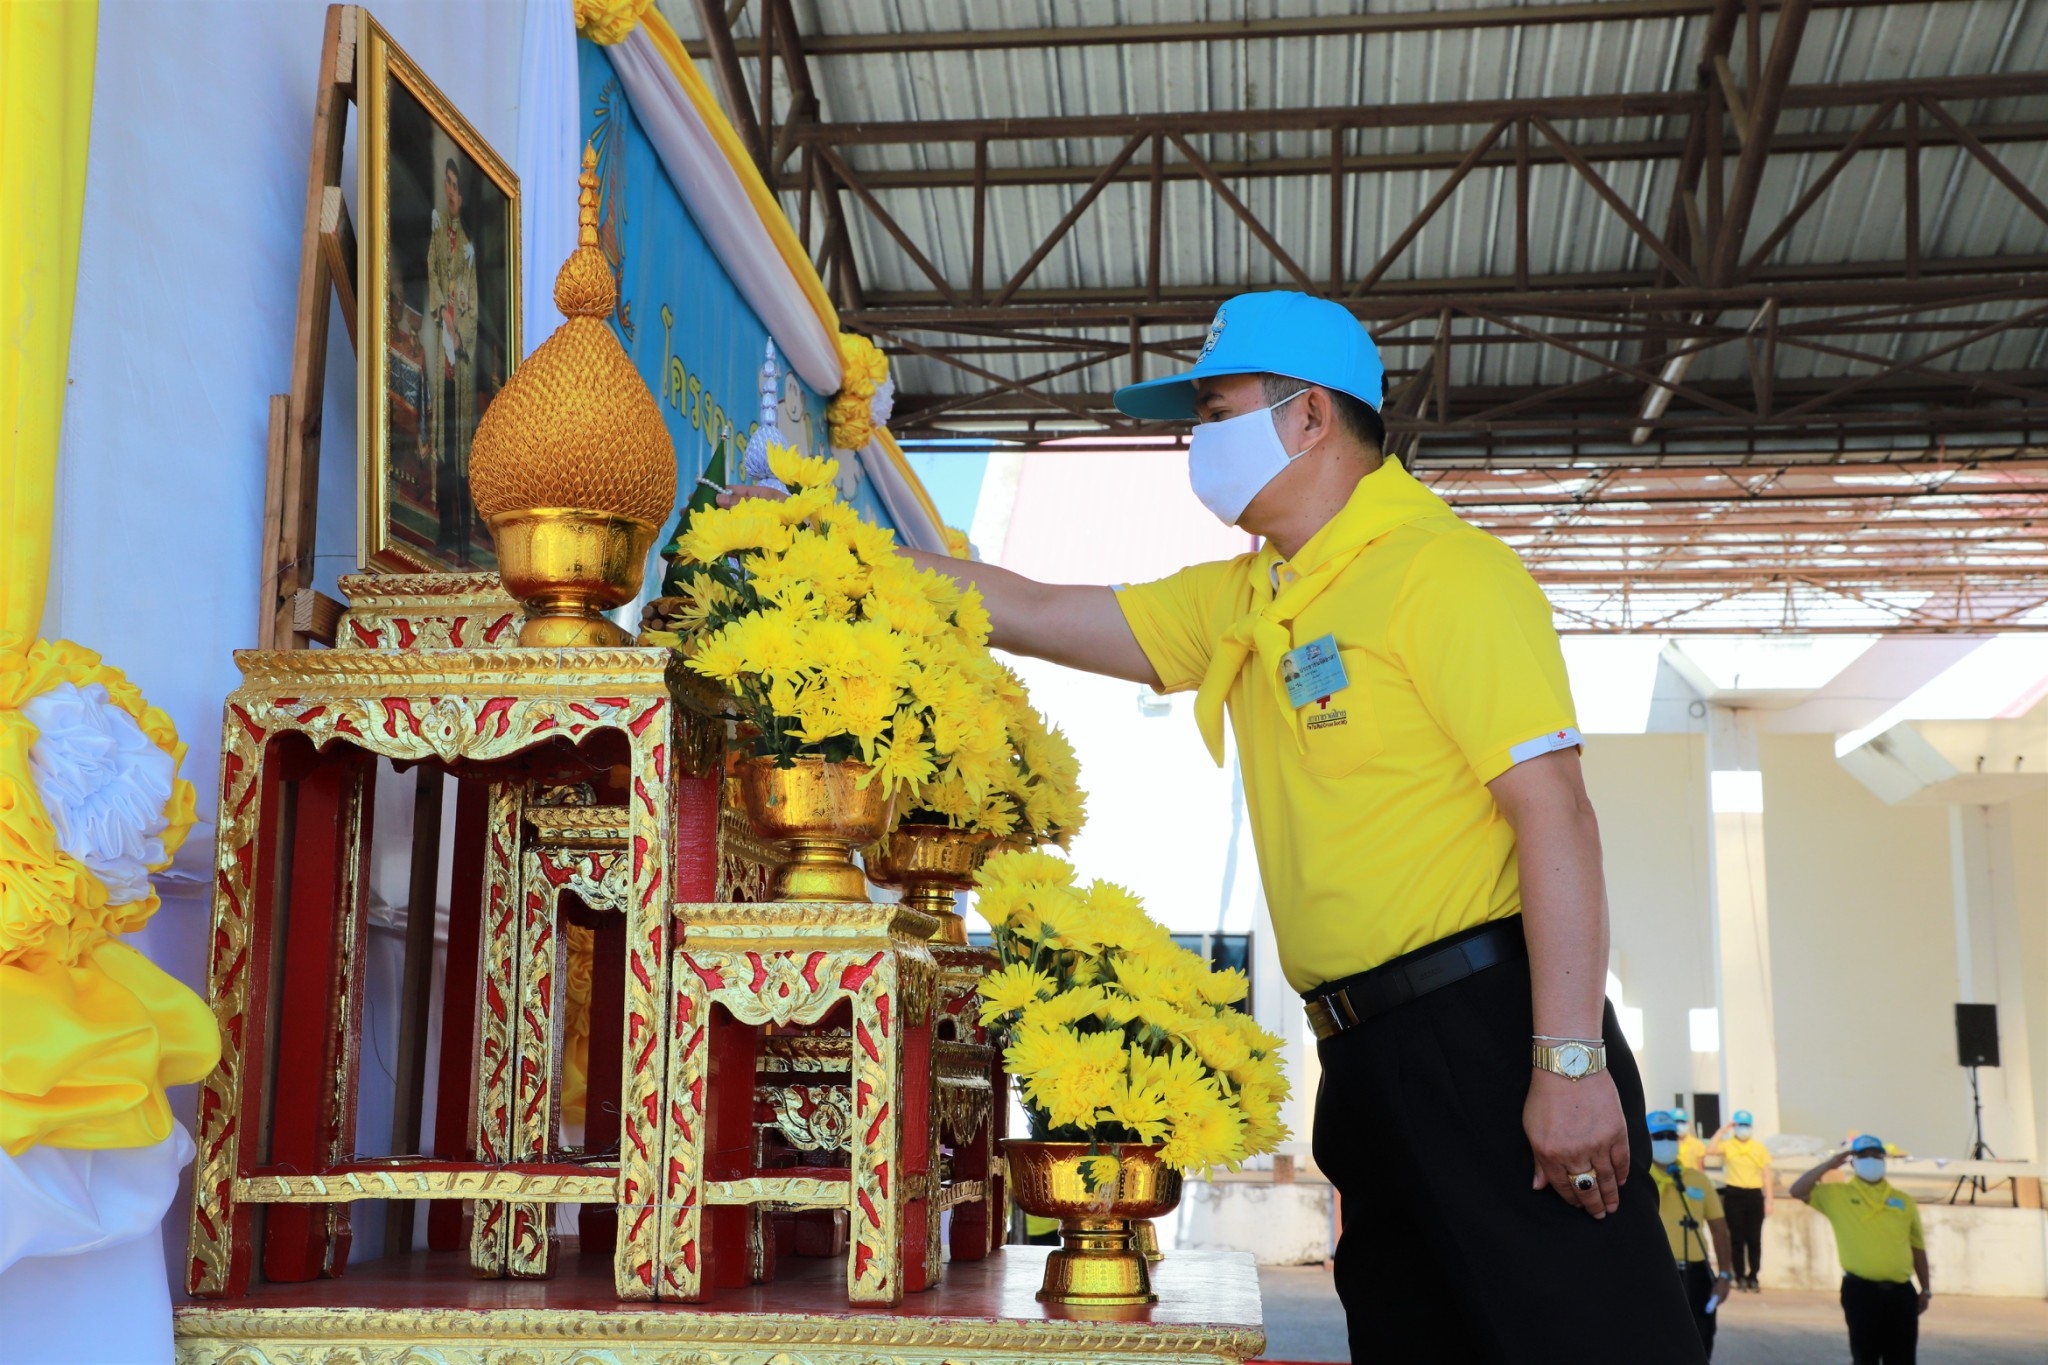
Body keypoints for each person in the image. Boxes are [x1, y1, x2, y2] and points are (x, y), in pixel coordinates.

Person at [728, 291, 1706, 1360]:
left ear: (1307, 419)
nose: (1195, 438)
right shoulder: (1255, 595)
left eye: (1214, 406)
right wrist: (834, 556)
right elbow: (1042, 609)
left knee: (1580, 1338)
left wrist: (1566, 1065)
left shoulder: (1444, 573)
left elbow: (1555, 814)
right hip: (1368, 1053)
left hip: (1483, 1028)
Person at [1791, 1134, 1932, 1364]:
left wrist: (1925, 1288)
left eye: (1876, 1155)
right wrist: (1829, 1165)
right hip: (1861, 1293)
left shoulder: (1903, 1201)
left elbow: (1917, 1247)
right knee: (1865, 1357)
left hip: (1901, 1294)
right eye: (1864, 1155)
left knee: (1903, 1358)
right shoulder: (1837, 1195)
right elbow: (1797, 1190)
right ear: (1853, 1161)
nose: (1871, 1160)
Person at [424, 155, 479, 564]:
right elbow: (432, 275)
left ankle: (463, 534)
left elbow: (473, 306)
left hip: (458, 358)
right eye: (448, 184)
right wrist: (442, 309)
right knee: (444, 446)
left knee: (461, 447)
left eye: (457, 187)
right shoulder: (438, 234)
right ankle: (445, 530)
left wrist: (460, 332)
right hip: (441, 345)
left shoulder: (471, 248)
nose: (452, 193)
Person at [1649, 1110, 1735, 1358]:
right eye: (1658, 1136)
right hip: (1654, 1274)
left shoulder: (1697, 1179)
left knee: (1699, 1342)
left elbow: (1719, 1229)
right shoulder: (1635, 1180)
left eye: (1671, 1136)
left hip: (1696, 1274)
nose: (1666, 1141)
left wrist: (1725, 1276)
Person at [1709, 1108, 1772, 1290]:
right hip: (1734, 1194)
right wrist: (1723, 1130)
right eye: (1739, 1125)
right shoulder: (1728, 1145)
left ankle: (1754, 1276)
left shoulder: (1758, 1148)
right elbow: (1710, 1150)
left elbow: (1766, 1174)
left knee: (1754, 1239)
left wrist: (1769, 1200)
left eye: (1746, 1125)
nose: (1743, 1129)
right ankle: (1740, 1276)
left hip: (1754, 1194)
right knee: (1736, 1239)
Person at [1673, 1105, 1707, 1172]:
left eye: (1682, 1122)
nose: (1679, 1125)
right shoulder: (1666, 1144)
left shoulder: (1697, 1144)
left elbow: (1701, 1169)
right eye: (1676, 1122)